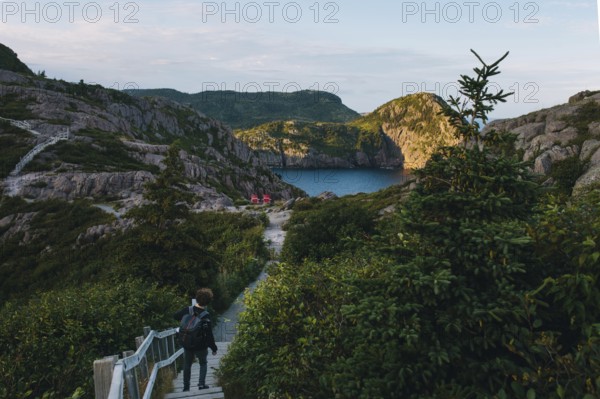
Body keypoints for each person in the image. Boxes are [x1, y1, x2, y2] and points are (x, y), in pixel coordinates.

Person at [174, 287, 218, 391]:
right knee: (203, 363)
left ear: (197, 298)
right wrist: (213, 348)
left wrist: (185, 320)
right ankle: (201, 385)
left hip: (187, 342)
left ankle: (186, 387)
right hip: (201, 345)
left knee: (187, 365)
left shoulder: (187, 310)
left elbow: (175, 316)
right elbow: (209, 334)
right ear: (208, 302)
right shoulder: (206, 315)